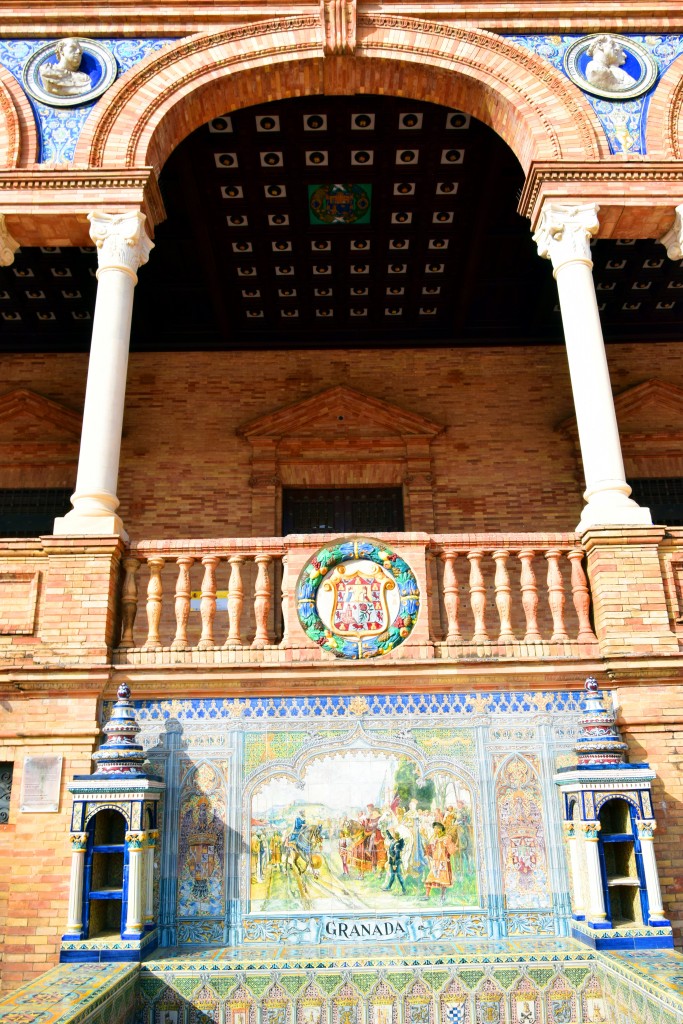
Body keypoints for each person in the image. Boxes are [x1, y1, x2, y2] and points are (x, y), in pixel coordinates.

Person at [421, 821, 456, 904]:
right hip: (436, 860)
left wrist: (447, 854)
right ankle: (426, 895)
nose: (435, 830)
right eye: (434, 828)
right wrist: (428, 848)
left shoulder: (446, 838)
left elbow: (450, 848)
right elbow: (431, 848)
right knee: (431, 876)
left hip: (443, 861)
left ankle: (442, 896)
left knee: (443, 878)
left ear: (440, 829)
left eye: (436, 828)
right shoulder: (434, 839)